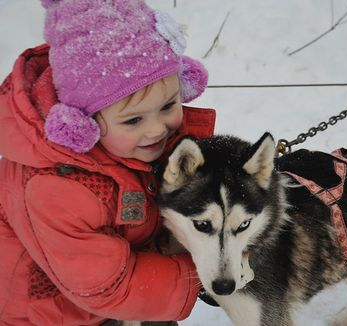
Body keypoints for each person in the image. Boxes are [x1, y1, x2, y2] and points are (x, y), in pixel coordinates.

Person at [0, 0, 215, 325]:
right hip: (52, 312)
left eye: (169, 105)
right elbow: (108, 287)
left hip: (123, 288)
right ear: (79, 124)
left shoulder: (143, 144)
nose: (157, 128)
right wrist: (203, 273)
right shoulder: (56, 187)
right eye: (133, 121)